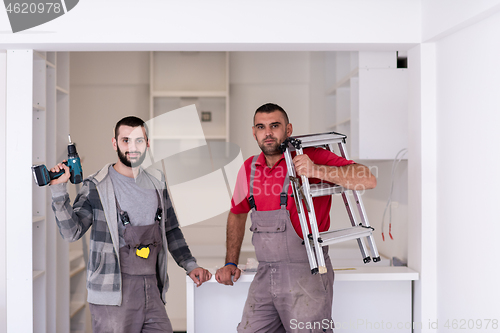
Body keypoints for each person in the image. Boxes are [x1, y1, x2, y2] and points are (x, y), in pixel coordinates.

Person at [215, 103, 377, 332]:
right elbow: (237, 213)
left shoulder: (311, 156)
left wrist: (317, 170)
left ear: (288, 129)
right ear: (254, 132)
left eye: (275, 126)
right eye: (261, 127)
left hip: (307, 274)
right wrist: (230, 261)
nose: (268, 132)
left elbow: (368, 179)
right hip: (265, 274)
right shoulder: (249, 168)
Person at [49, 116, 212, 333]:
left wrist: (190, 265)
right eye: (126, 140)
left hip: (152, 290)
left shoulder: (157, 183)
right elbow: (72, 232)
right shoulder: (97, 186)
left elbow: (171, 230)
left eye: (138, 141)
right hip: (111, 296)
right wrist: (59, 191)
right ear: (115, 143)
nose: (132, 147)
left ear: (147, 143)